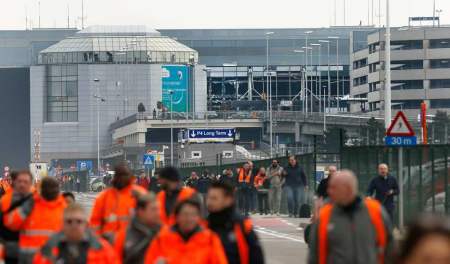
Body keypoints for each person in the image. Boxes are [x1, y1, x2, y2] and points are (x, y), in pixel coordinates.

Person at [308, 170, 394, 264]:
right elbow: (314, 255)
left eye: (334, 187)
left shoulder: (375, 211)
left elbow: (390, 249)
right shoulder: (325, 216)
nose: (329, 191)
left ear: (348, 189)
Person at [4, 177, 67, 264]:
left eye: (53, 187)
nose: (51, 190)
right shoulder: (64, 208)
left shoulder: (64, 208)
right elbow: (9, 223)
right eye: (49, 187)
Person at [144, 199, 227, 264]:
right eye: (185, 214)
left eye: (193, 215)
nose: (189, 219)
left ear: (199, 217)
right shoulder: (161, 240)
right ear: (177, 217)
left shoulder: (210, 239)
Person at [33, 203, 117, 264]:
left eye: (79, 221)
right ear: (63, 224)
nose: (74, 225)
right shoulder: (48, 250)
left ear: (86, 224)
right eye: (69, 221)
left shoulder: (103, 250)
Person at [207, 181, 264, 264]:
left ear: (228, 200)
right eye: (209, 198)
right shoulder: (203, 225)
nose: (209, 202)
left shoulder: (242, 226)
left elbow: (257, 259)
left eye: (214, 198)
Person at [90, 164, 147, 243]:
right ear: (115, 177)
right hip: (109, 243)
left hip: (135, 243)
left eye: (125, 175)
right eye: (120, 175)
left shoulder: (139, 194)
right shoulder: (104, 197)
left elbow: (150, 221)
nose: (122, 178)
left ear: (130, 176)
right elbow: (95, 223)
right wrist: (98, 242)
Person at [114, 193, 161, 264]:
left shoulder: (164, 233)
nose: (158, 213)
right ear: (141, 211)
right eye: (153, 209)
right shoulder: (124, 235)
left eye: (158, 209)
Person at [0, 170, 34, 264]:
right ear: (15, 182)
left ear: (30, 183)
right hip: (11, 252)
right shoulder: (5, 201)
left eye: (25, 182)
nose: (22, 184)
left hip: (32, 253)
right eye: (20, 181)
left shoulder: (37, 201)